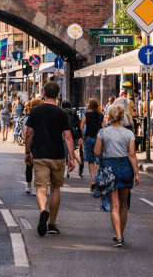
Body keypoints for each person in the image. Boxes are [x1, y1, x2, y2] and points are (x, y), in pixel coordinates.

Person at [23, 81, 77, 237]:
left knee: (41, 187)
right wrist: (72, 158)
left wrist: (28, 152)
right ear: (58, 95)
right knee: (55, 189)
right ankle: (52, 224)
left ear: (43, 94)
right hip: (58, 156)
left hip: (40, 155)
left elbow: (28, 134)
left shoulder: (35, 111)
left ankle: (42, 210)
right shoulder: (62, 114)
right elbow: (67, 137)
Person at [94, 105, 138, 247]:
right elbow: (132, 155)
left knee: (114, 205)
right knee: (124, 205)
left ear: (109, 117)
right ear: (122, 117)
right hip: (125, 168)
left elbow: (96, 152)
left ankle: (118, 237)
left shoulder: (103, 132)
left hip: (110, 168)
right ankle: (121, 234)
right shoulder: (129, 134)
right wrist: (136, 173)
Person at [80, 98, 103, 192]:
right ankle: (98, 179)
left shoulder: (86, 115)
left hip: (89, 138)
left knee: (90, 161)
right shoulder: (100, 115)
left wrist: (82, 137)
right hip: (98, 139)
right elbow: (103, 126)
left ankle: (93, 180)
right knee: (98, 160)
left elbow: (81, 127)